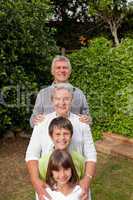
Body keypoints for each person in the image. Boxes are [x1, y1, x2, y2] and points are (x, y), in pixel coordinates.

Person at [26, 83, 96, 200]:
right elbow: (31, 155)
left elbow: (91, 156)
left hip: (77, 187)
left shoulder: (82, 123)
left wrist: (87, 180)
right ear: (52, 100)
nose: (62, 103)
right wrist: (35, 181)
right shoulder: (41, 122)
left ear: (72, 100)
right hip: (48, 188)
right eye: (57, 99)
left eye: (66, 99)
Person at [38, 117, 91, 200]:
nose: (62, 138)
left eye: (66, 134)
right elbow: (43, 186)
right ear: (51, 136)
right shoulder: (42, 162)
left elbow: (82, 184)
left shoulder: (79, 159)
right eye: (58, 134)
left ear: (71, 135)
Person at [30, 55, 91, 127]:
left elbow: (88, 119)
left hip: (75, 136)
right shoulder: (43, 94)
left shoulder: (79, 93)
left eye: (65, 68)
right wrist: (35, 120)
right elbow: (32, 121)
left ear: (70, 71)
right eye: (58, 68)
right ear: (52, 71)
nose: (62, 70)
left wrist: (88, 119)